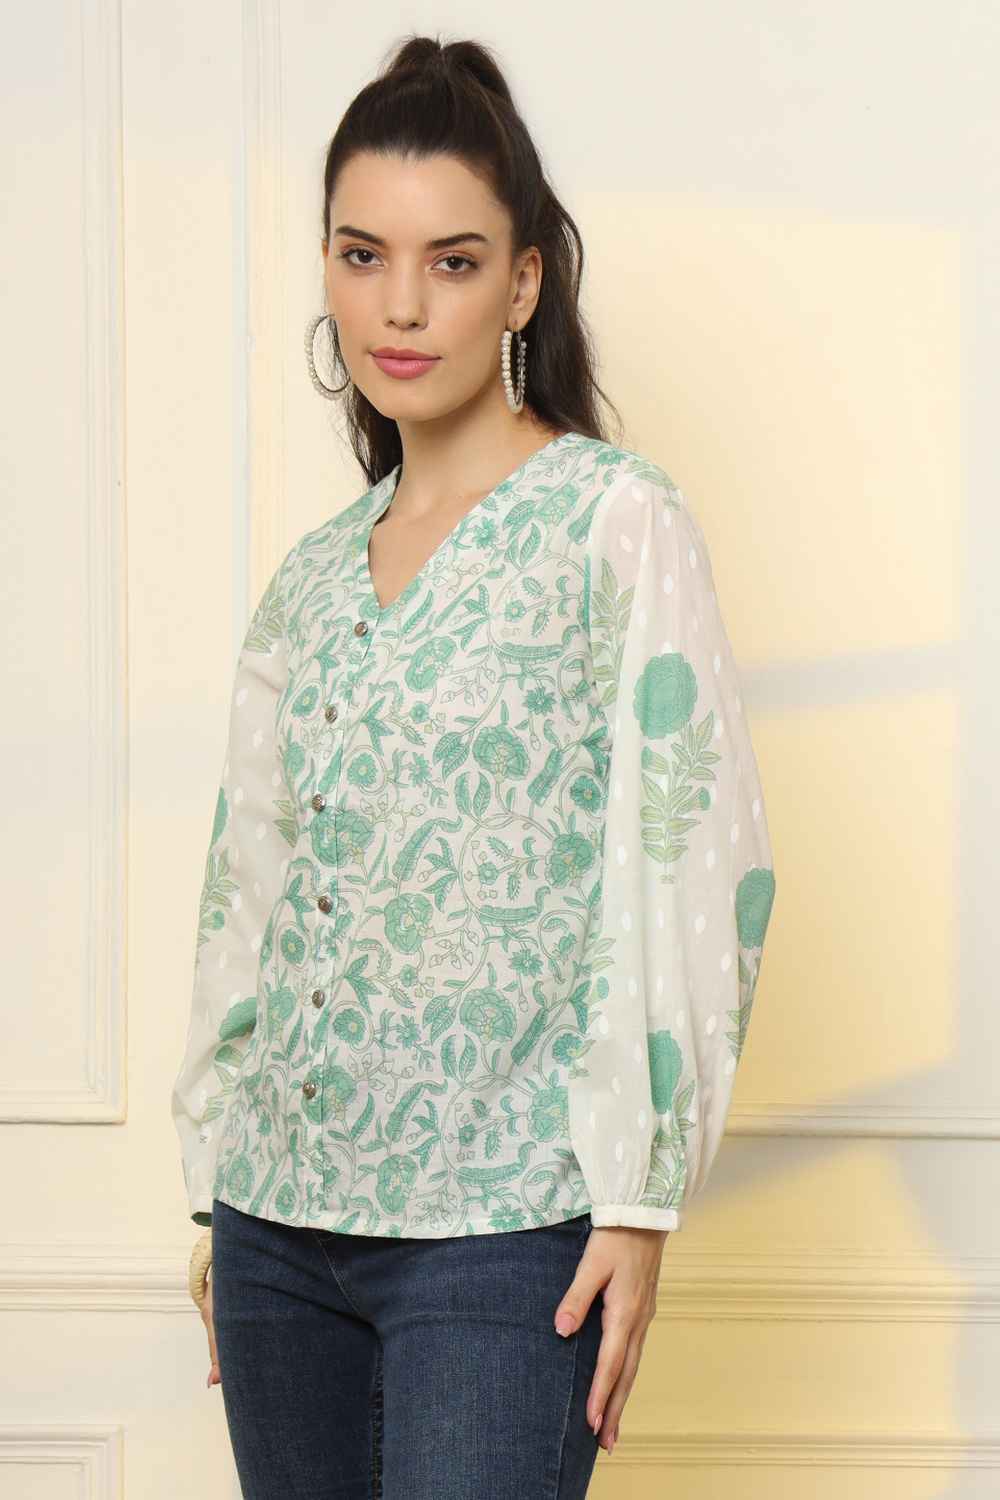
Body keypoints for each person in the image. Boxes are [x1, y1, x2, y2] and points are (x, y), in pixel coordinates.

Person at [171, 31, 777, 1500]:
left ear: (522, 284)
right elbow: (249, 885)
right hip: (275, 1230)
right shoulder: (312, 579)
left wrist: (636, 1198)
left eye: (451, 262)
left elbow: (692, 852)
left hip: (506, 1234)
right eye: (361, 254)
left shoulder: (614, 523)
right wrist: (213, 1185)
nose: (400, 305)